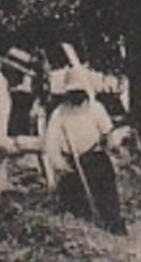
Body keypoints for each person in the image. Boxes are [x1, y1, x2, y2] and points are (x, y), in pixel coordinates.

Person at [42, 66, 127, 234]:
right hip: (72, 163)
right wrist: (60, 164)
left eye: (80, 92)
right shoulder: (59, 113)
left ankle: (114, 229)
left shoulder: (96, 109)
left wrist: (113, 146)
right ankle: (84, 232)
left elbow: (108, 134)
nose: (77, 96)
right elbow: (51, 144)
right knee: (75, 205)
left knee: (107, 199)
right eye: (73, 92)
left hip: (96, 159)